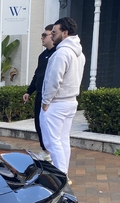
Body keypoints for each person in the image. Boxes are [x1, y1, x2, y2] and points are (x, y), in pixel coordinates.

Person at [40, 17, 86, 178]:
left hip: (57, 103)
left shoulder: (61, 54)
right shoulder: (79, 54)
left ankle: (61, 177)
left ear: (65, 33)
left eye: (54, 32)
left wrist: (45, 102)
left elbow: (54, 80)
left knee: (52, 142)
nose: (51, 35)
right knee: (63, 140)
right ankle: (64, 173)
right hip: (70, 101)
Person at [23, 24, 56, 158]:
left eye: (44, 35)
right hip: (40, 96)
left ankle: (52, 153)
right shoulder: (42, 56)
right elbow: (37, 75)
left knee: (49, 127)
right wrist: (29, 91)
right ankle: (45, 150)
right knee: (39, 124)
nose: (41, 38)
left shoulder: (57, 54)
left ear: (52, 36)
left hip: (51, 98)